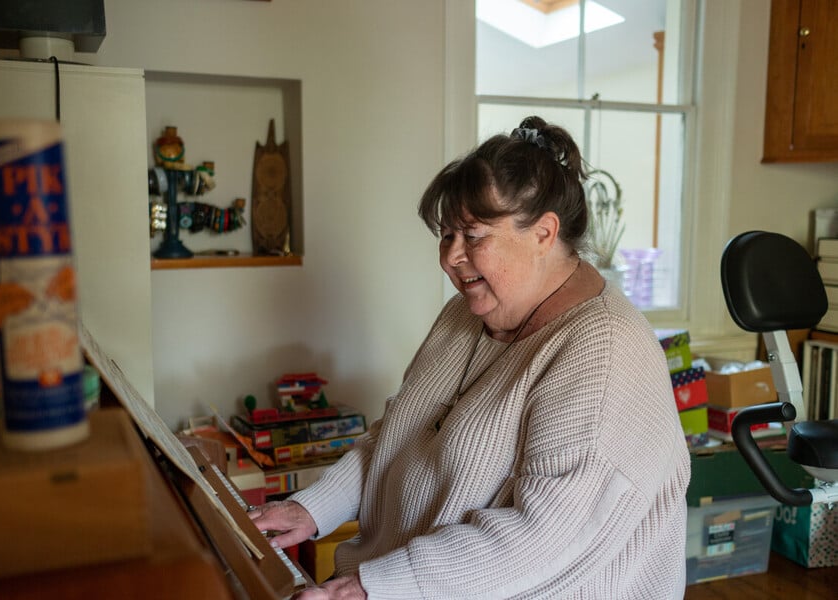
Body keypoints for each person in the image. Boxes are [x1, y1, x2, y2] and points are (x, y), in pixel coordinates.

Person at [249, 116, 691, 599]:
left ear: (544, 234)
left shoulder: (606, 354)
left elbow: (540, 540)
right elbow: (395, 440)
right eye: (446, 236)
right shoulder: (464, 316)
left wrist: (366, 588)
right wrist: (310, 509)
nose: (450, 258)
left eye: (473, 236)